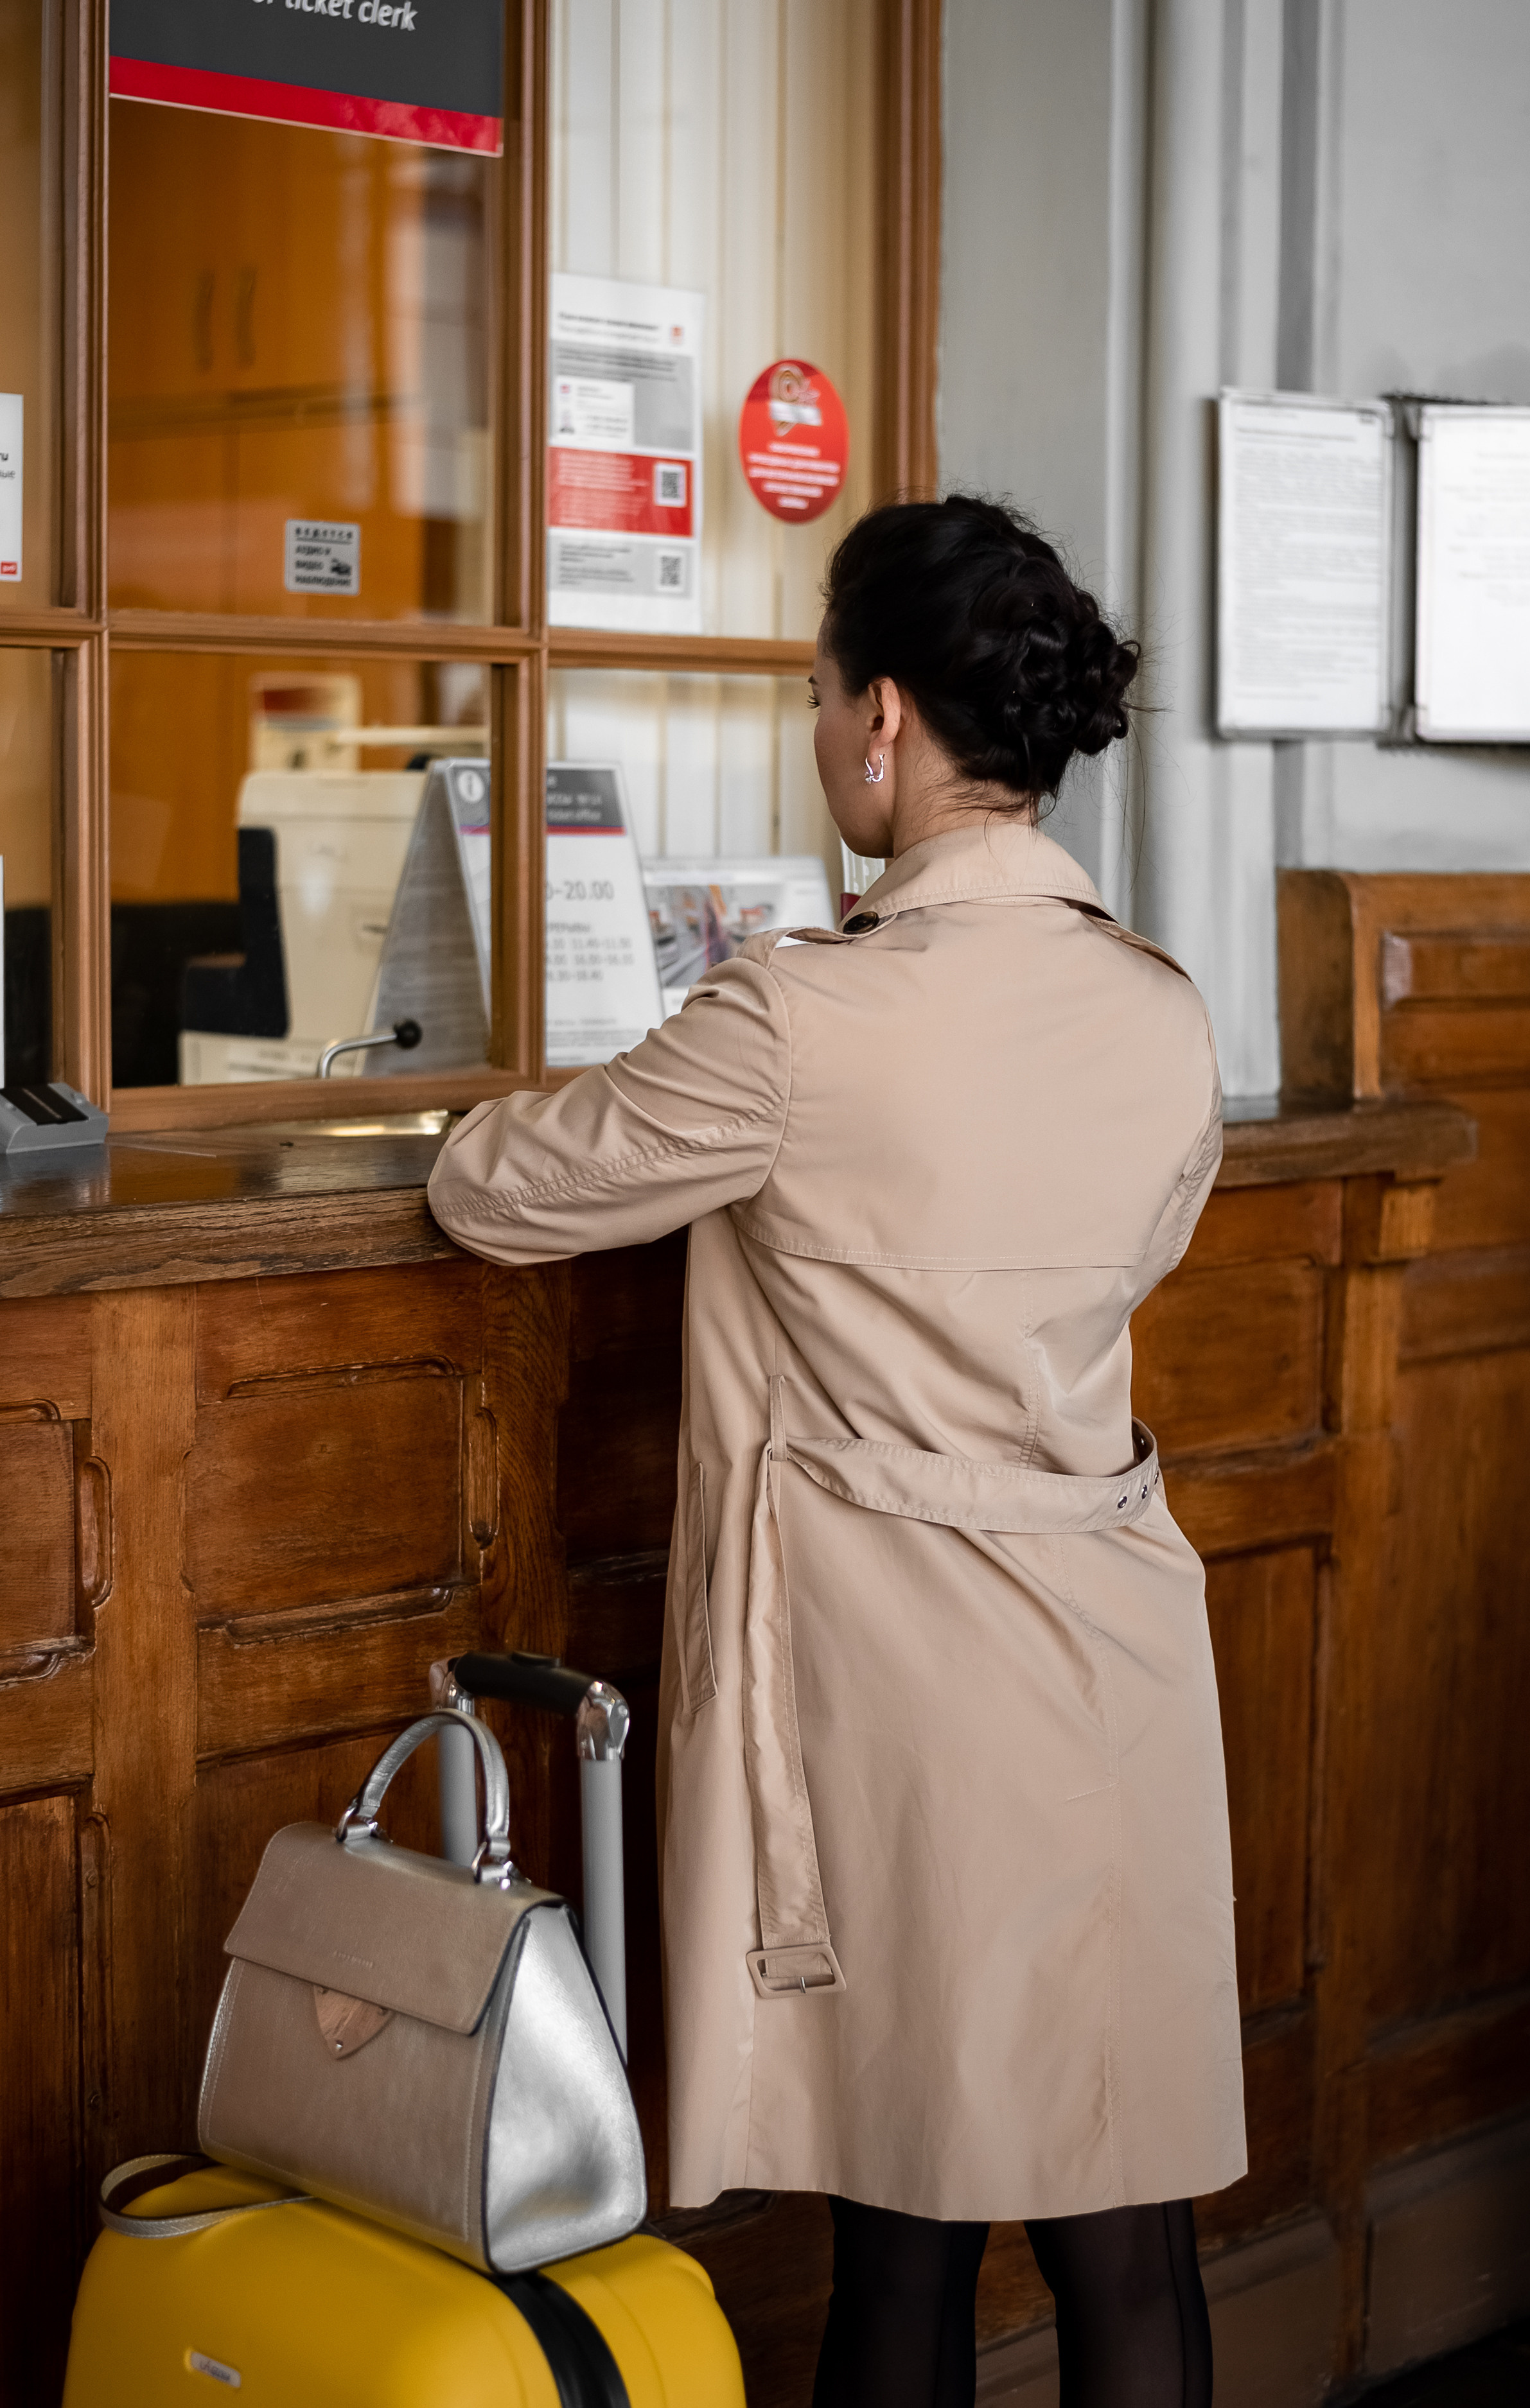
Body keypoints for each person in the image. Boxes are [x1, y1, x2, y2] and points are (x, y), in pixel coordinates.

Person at [427, 494, 1245, 2407]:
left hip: (905, 1693)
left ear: (884, 717)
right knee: (1129, 2229)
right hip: (1118, 1657)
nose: (812, 736)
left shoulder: (802, 1019)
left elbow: (495, 1194)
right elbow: (1143, 1248)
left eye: (814, 697)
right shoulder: (1160, 1012)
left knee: (903, 2230)